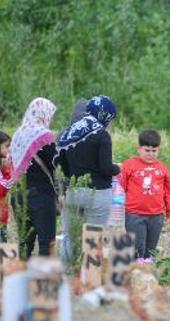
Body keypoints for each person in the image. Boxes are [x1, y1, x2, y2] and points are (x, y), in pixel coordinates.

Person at [57, 95, 120, 262]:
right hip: (97, 193)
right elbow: (106, 167)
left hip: (73, 191)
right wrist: (119, 168)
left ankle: (66, 278)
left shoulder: (67, 133)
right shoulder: (101, 135)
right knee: (93, 236)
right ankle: (88, 280)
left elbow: (62, 167)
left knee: (69, 237)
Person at [9, 97, 59, 259]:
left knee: (25, 243)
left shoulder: (18, 135)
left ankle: (21, 280)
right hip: (40, 195)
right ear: (44, 114)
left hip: (18, 195)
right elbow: (54, 162)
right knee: (46, 243)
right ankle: (42, 281)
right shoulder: (43, 135)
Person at [119, 129, 170, 263]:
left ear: (158, 150)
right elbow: (121, 187)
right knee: (137, 249)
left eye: (154, 151)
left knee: (150, 251)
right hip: (134, 214)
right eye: (147, 150)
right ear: (139, 149)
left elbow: (168, 192)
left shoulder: (162, 168)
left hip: (157, 215)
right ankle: (135, 275)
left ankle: (148, 279)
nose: (150, 154)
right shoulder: (129, 165)